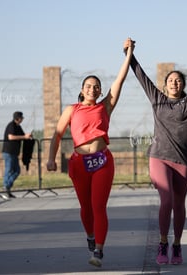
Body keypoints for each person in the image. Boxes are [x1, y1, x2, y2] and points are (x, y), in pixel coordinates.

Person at [127, 44, 187, 265]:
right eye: (170, 80)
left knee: (179, 203)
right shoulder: (157, 99)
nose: (174, 83)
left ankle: (176, 244)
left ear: (183, 85)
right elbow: (140, 75)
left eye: (178, 80)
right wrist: (128, 53)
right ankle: (162, 242)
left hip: (182, 161)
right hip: (159, 157)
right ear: (165, 85)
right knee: (167, 199)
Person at [46, 38, 135, 268]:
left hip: (102, 161)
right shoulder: (71, 109)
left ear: (100, 91)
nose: (92, 89)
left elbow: (120, 80)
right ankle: (90, 237)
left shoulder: (105, 106)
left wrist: (128, 55)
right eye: (88, 86)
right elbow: (57, 134)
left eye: (96, 86)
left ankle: (99, 250)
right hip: (79, 163)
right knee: (85, 208)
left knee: (98, 207)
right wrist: (50, 159)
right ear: (82, 90)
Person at [2, 111, 32, 198]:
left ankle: (7, 187)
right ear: (17, 118)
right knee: (9, 169)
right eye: (21, 118)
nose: (22, 119)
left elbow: (23, 135)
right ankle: (5, 188)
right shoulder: (11, 125)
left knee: (17, 171)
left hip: (14, 153)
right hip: (8, 152)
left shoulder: (19, 127)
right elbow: (10, 137)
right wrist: (24, 137)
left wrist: (28, 136)